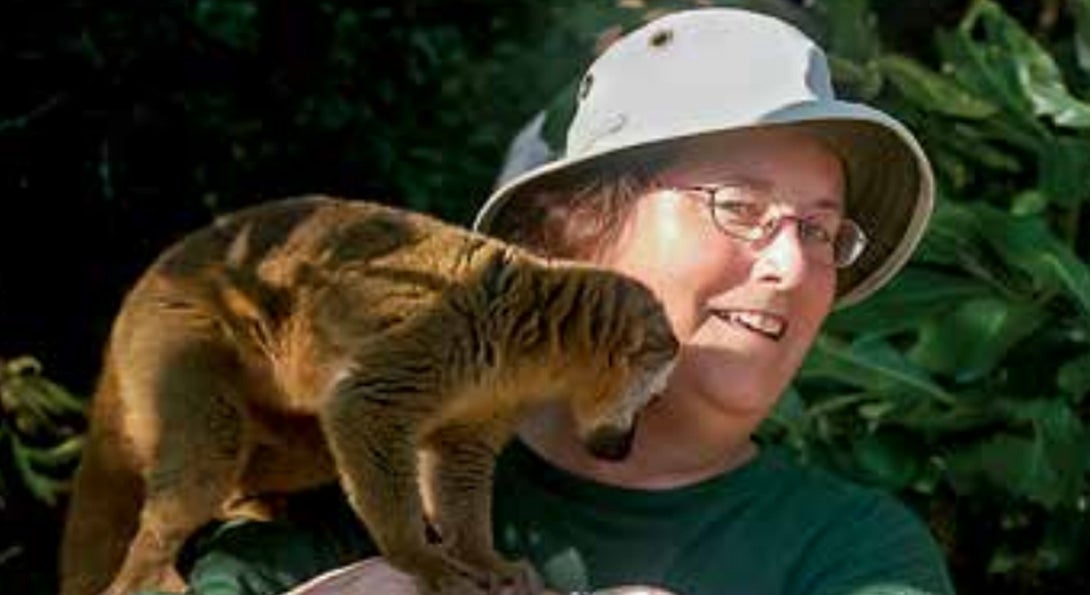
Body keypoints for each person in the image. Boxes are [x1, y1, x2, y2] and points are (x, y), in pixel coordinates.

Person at [147, 7, 955, 595]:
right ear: (571, 243)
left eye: (822, 231)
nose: (791, 264)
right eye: (739, 207)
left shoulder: (855, 553)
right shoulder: (348, 485)